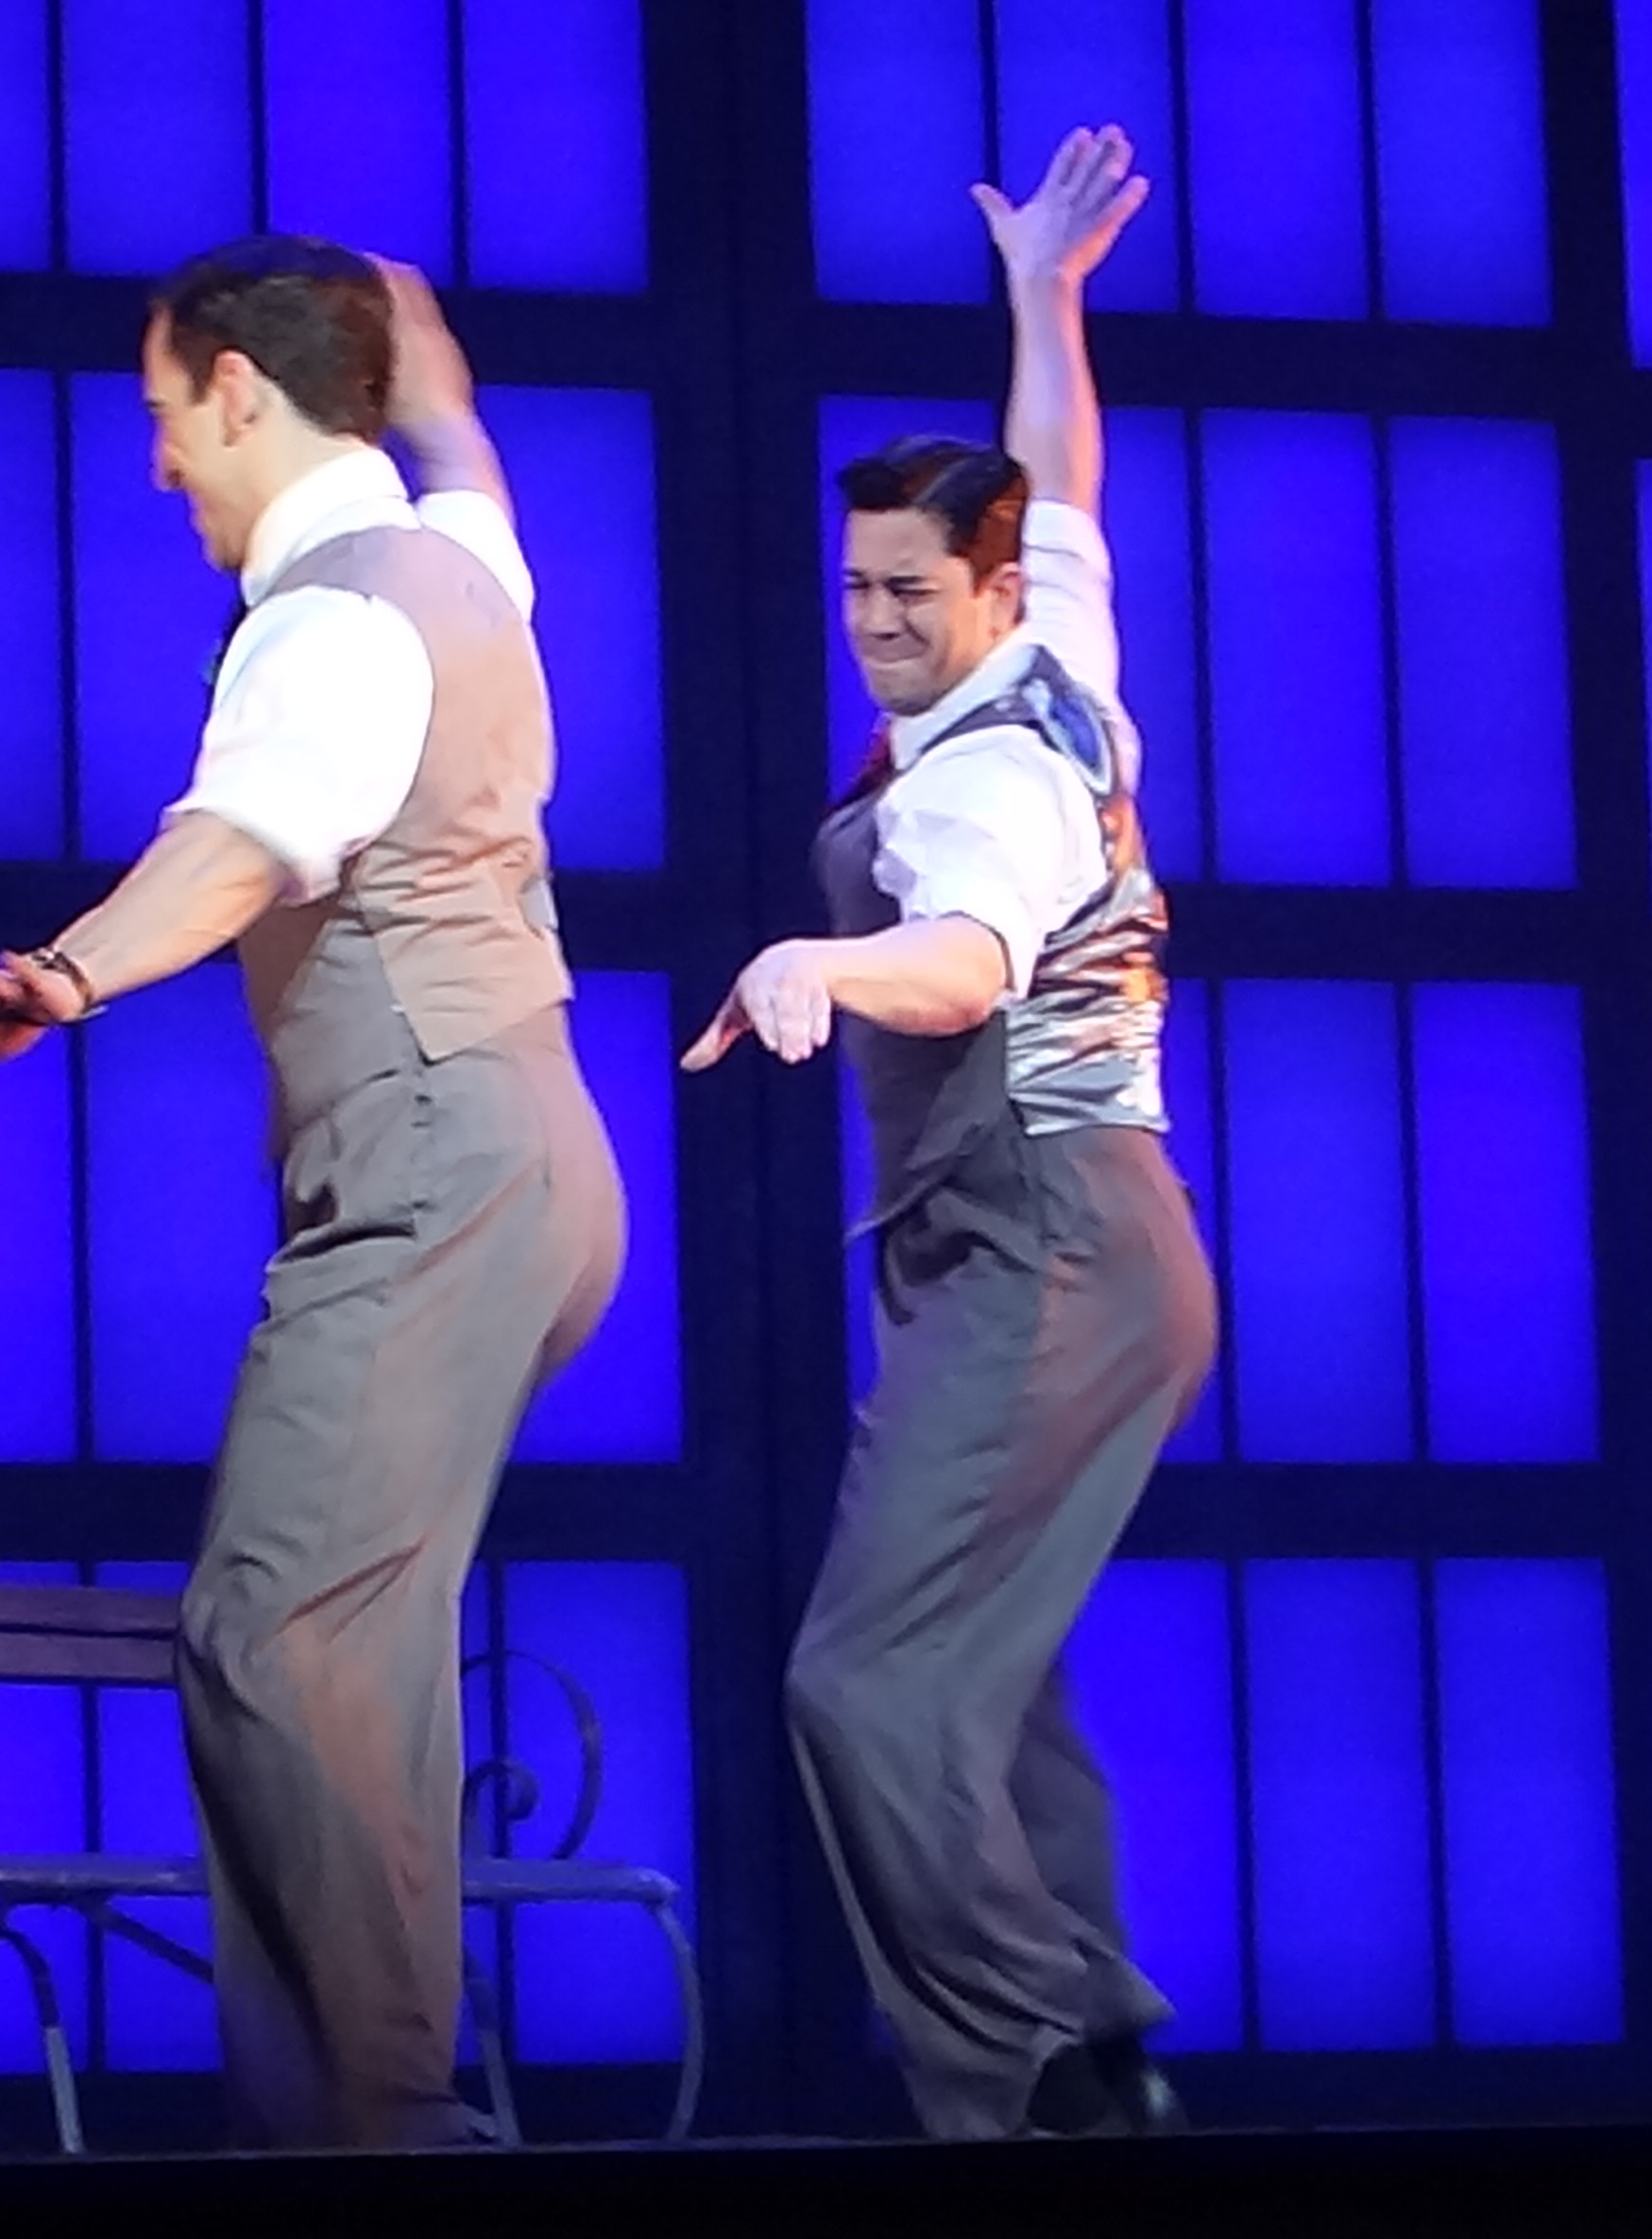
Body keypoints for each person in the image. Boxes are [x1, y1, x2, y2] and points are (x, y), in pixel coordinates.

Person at [0, 240, 624, 2147]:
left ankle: (381, 2126)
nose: (157, 464)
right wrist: (430, 370)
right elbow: (470, 467)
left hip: (433, 1157)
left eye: (164, 415)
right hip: (532, 1156)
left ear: (235, 388)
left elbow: (244, 841)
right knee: (356, 1643)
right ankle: (361, 2111)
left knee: (273, 1626)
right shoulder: (457, 565)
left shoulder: (335, 614)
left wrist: (66, 976)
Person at [683, 124, 1218, 2141]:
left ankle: (1026, 2084)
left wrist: (822, 966)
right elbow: (1059, 476)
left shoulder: (980, 780)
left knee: (870, 1684)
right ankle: (1095, 2046)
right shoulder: (1058, 650)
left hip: (1045, 1232)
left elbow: (973, 955)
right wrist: (1046, 301)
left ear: (982, 594)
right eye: (858, 588)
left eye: (913, 590)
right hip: (1085, 1242)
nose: (878, 621)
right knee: (985, 1671)